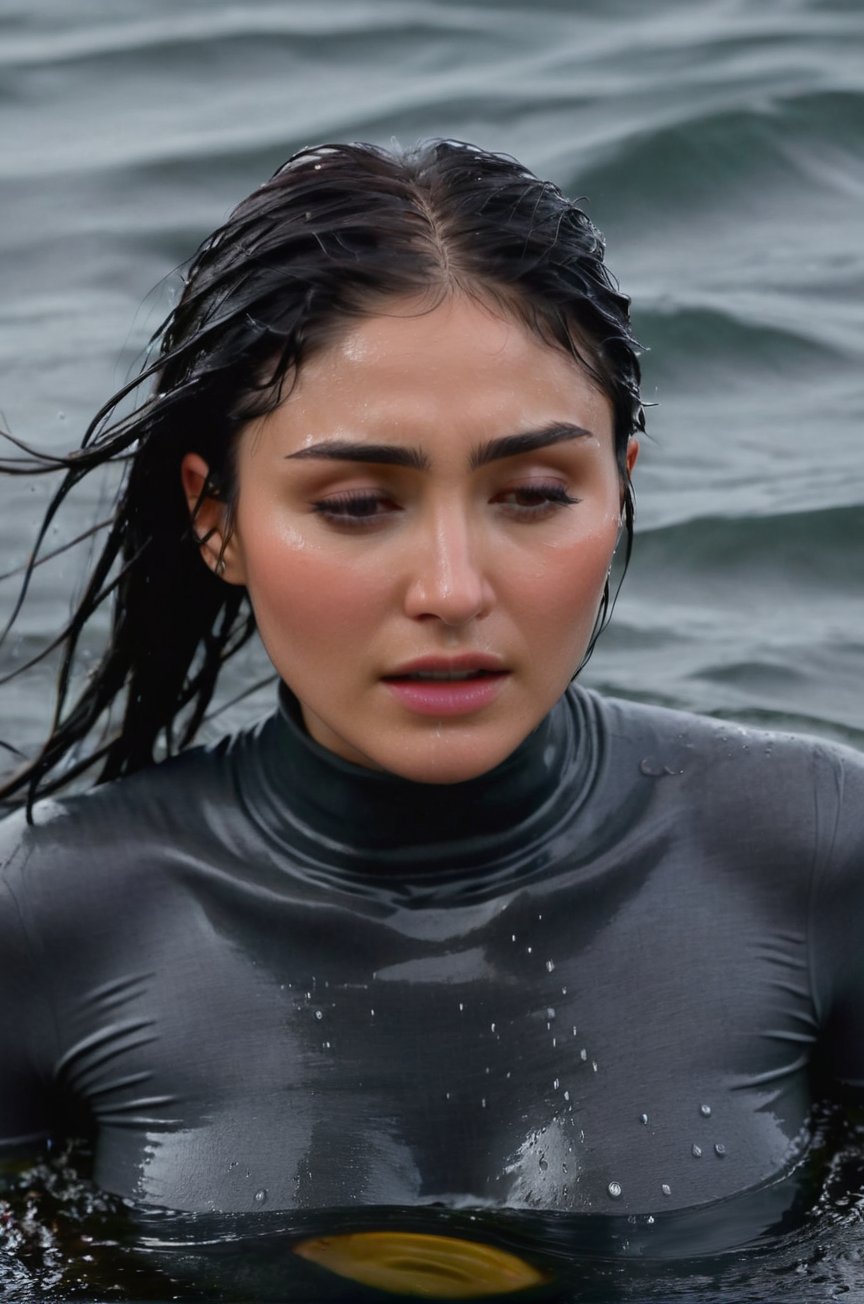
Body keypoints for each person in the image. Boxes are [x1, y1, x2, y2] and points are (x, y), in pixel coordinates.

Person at [0, 140, 862, 1228]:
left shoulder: (819, 853)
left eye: (537, 493)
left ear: (621, 486)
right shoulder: (46, 918)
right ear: (216, 517)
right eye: (358, 504)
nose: (453, 588)